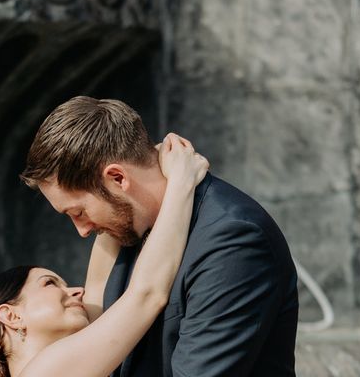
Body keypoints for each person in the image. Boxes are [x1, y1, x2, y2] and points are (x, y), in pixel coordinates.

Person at [20, 96, 299, 376]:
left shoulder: (232, 240)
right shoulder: (123, 229)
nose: (82, 231)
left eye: (78, 211)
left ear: (118, 178)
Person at [0, 133, 208, 376]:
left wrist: (142, 164)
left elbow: (102, 266)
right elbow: (147, 294)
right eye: (49, 283)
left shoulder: (82, 358)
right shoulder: (45, 371)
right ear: (11, 315)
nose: (78, 290)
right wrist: (181, 181)